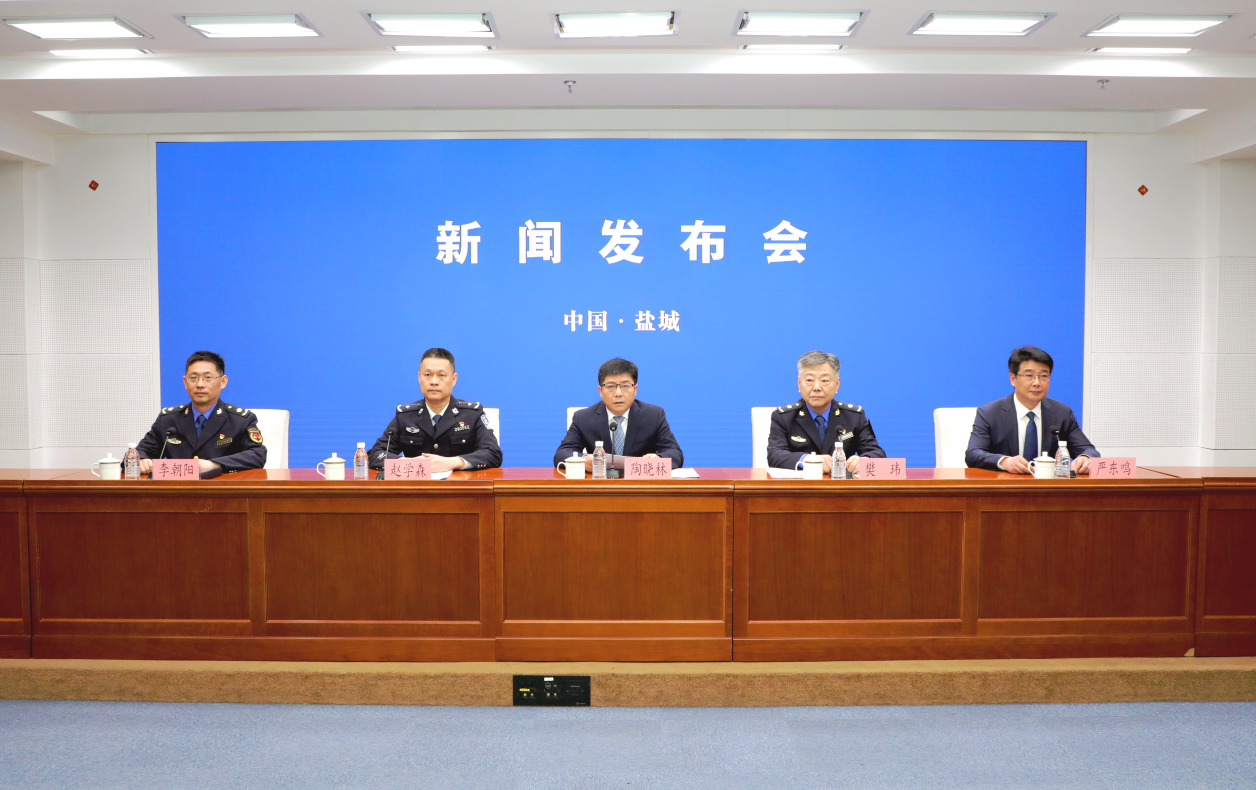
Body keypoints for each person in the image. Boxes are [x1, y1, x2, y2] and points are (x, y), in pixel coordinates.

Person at [965, 346, 1099, 474]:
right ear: (1013, 379)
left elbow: (1089, 450)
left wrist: (1086, 458)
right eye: (1029, 375)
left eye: (1044, 376)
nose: (1037, 383)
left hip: (1048, 487)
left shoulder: (1061, 412)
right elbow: (973, 454)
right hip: (1005, 485)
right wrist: (1004, 461)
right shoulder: (989, 413)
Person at [368, 348, 501, 472]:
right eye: (427, 374)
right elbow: (375, 454)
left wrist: (453, 462)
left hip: (460, 487)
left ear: (454, 379)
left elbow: (492, 453)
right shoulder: (405, 416)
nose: (434, 382)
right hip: (418, 487)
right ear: (419, 377)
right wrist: (408, 463)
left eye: (441, 375)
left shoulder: (472, 414)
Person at [136, 350, 266, 475]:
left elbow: (257, 455)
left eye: (207, 378)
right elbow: (139, 453)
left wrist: (215, 465)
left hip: (222, 488)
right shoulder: (168, 420)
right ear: (185, 382)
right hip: (179, 488)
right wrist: (142, 460)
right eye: (193, 378)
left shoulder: (240, 420)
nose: (200, 384)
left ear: (223, 381)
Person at [767, 350, 885, 475]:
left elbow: (877, 453)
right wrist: (808, 460)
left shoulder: (854, 416)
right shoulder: (783, 417)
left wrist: (865, 461)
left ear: (837, 384)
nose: (817, 387)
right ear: (799, 383)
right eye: (809, 380)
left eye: (824, 380)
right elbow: (774, 455)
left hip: (841, 485)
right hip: (801, 485)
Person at [554, 357, 684, 468]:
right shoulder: (583, 418)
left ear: (635, 389)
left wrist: (659, 459)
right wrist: (583, 460)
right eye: (611, 386)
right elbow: (562, 453)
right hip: (600, 484)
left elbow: (674, 453)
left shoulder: (654, 415)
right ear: (600, 391)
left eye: (625, 386)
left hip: (640, 485)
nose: (618, 393)